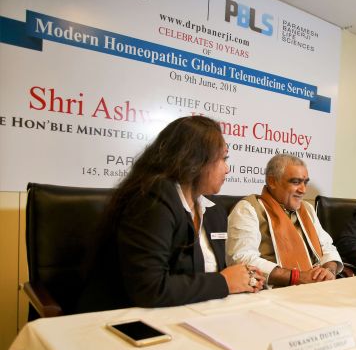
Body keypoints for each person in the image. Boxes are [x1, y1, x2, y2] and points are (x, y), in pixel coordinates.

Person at [77, 116, 264, 312]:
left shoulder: (212, 207)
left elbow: (205, 274)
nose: (227, 168)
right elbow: (150, 288)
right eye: (223, 158)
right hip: (121, 318)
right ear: (195, 159)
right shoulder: (152, 198)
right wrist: (225, 281)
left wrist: (243, 278)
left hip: (188, 313)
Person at [226, 154, 343, 287]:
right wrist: (296, 277)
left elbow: (327, 247)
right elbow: (242, 260)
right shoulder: (248, 208)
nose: (303, 190)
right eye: (296, 182)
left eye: (305, 182)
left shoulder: (307, 209)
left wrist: (329, 270)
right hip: (271, 292)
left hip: (316, 287)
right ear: (272, 181)